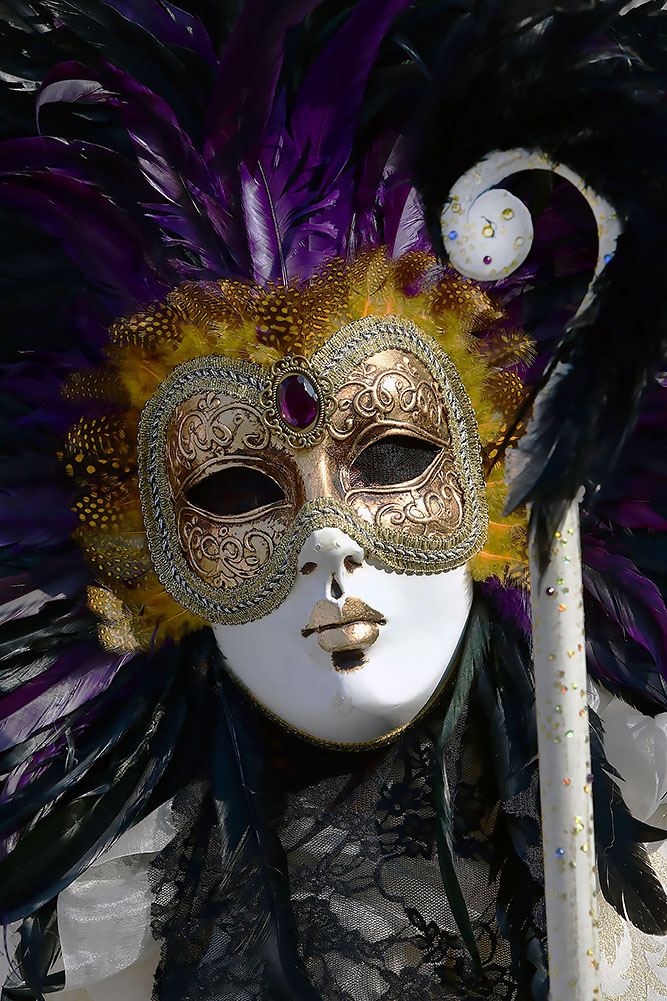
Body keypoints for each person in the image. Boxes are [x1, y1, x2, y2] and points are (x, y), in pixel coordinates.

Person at [2, 2, 667, 999]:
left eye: (393, 455)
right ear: (141, 554)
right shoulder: (109, 966)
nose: (327, 542)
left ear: (501, 477)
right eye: (235, 487)